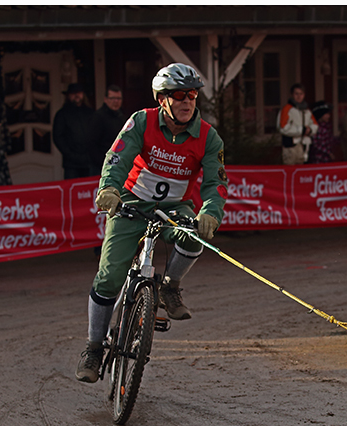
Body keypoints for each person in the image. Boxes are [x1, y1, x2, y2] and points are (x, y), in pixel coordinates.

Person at [76, 63, 229, 383]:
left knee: (195, 236)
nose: (188, 101)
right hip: (131, 205)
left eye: (192, 94)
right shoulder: (141, 121)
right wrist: (109, 188)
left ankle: (170, 287)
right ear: (162, 99)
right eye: (179, 95)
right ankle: (93, 347)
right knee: (109, 277)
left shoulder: (207, 137)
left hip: (176, 208)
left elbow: (215, 183)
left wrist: (211, 212)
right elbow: (117, 158)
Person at [53, 83, 95, 179]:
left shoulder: (90, 113)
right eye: (73, 93)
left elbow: (97, 135)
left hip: (89, 161)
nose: (76, 95)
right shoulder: (62, 114)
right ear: (68, 95)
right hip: (71, 163)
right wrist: (70, 154)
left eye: (79, 92)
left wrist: (92, 154)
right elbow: (58, 137)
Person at [89, 85, 126, 171]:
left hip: (119, 162)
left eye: (118, 98)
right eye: (112, 98)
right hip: (101, 164)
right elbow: (92, 143)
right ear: (106, 99)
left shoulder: (122, 116)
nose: (116, 101)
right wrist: (103, 162)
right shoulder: (98, 117)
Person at [278, 83, 317, 165]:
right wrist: (301, 130)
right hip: (290, 146)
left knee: (301, 171)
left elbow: (315, 125)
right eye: (296, 94)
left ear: (304, 95)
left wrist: (309, 130)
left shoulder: (307, 111)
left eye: (301, 94)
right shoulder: (287, 109)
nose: (299, 96)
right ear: (292, 95)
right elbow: (283, 127)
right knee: (290, 171)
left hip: (303, 145)